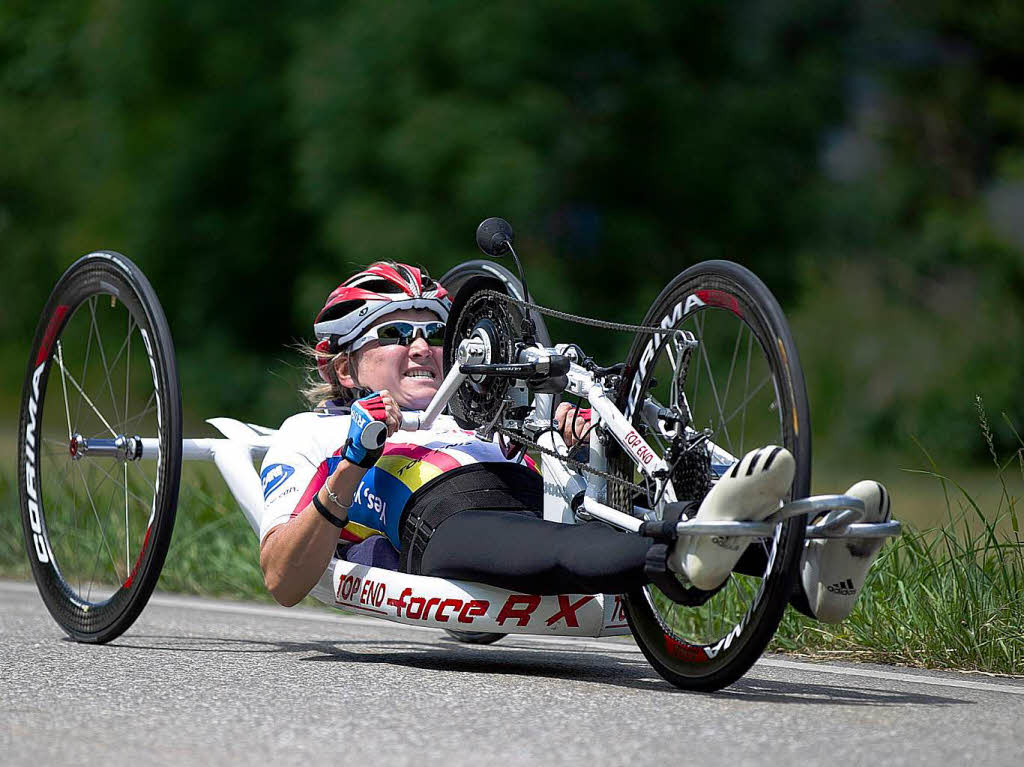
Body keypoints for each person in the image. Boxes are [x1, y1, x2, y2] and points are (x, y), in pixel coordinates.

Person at [258, 262, 890, 623]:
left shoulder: (479, 402)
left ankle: (808, 567)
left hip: (533, 496)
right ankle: (680, 553)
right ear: (341, 367)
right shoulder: (311, 433)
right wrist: (355, 456)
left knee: (602, 498)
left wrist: (577, 436)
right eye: (395, 331)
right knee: (549, 542)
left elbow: (567, 482)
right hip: (438, 519)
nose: (423, 345)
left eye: (432, 329)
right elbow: (283, 577)